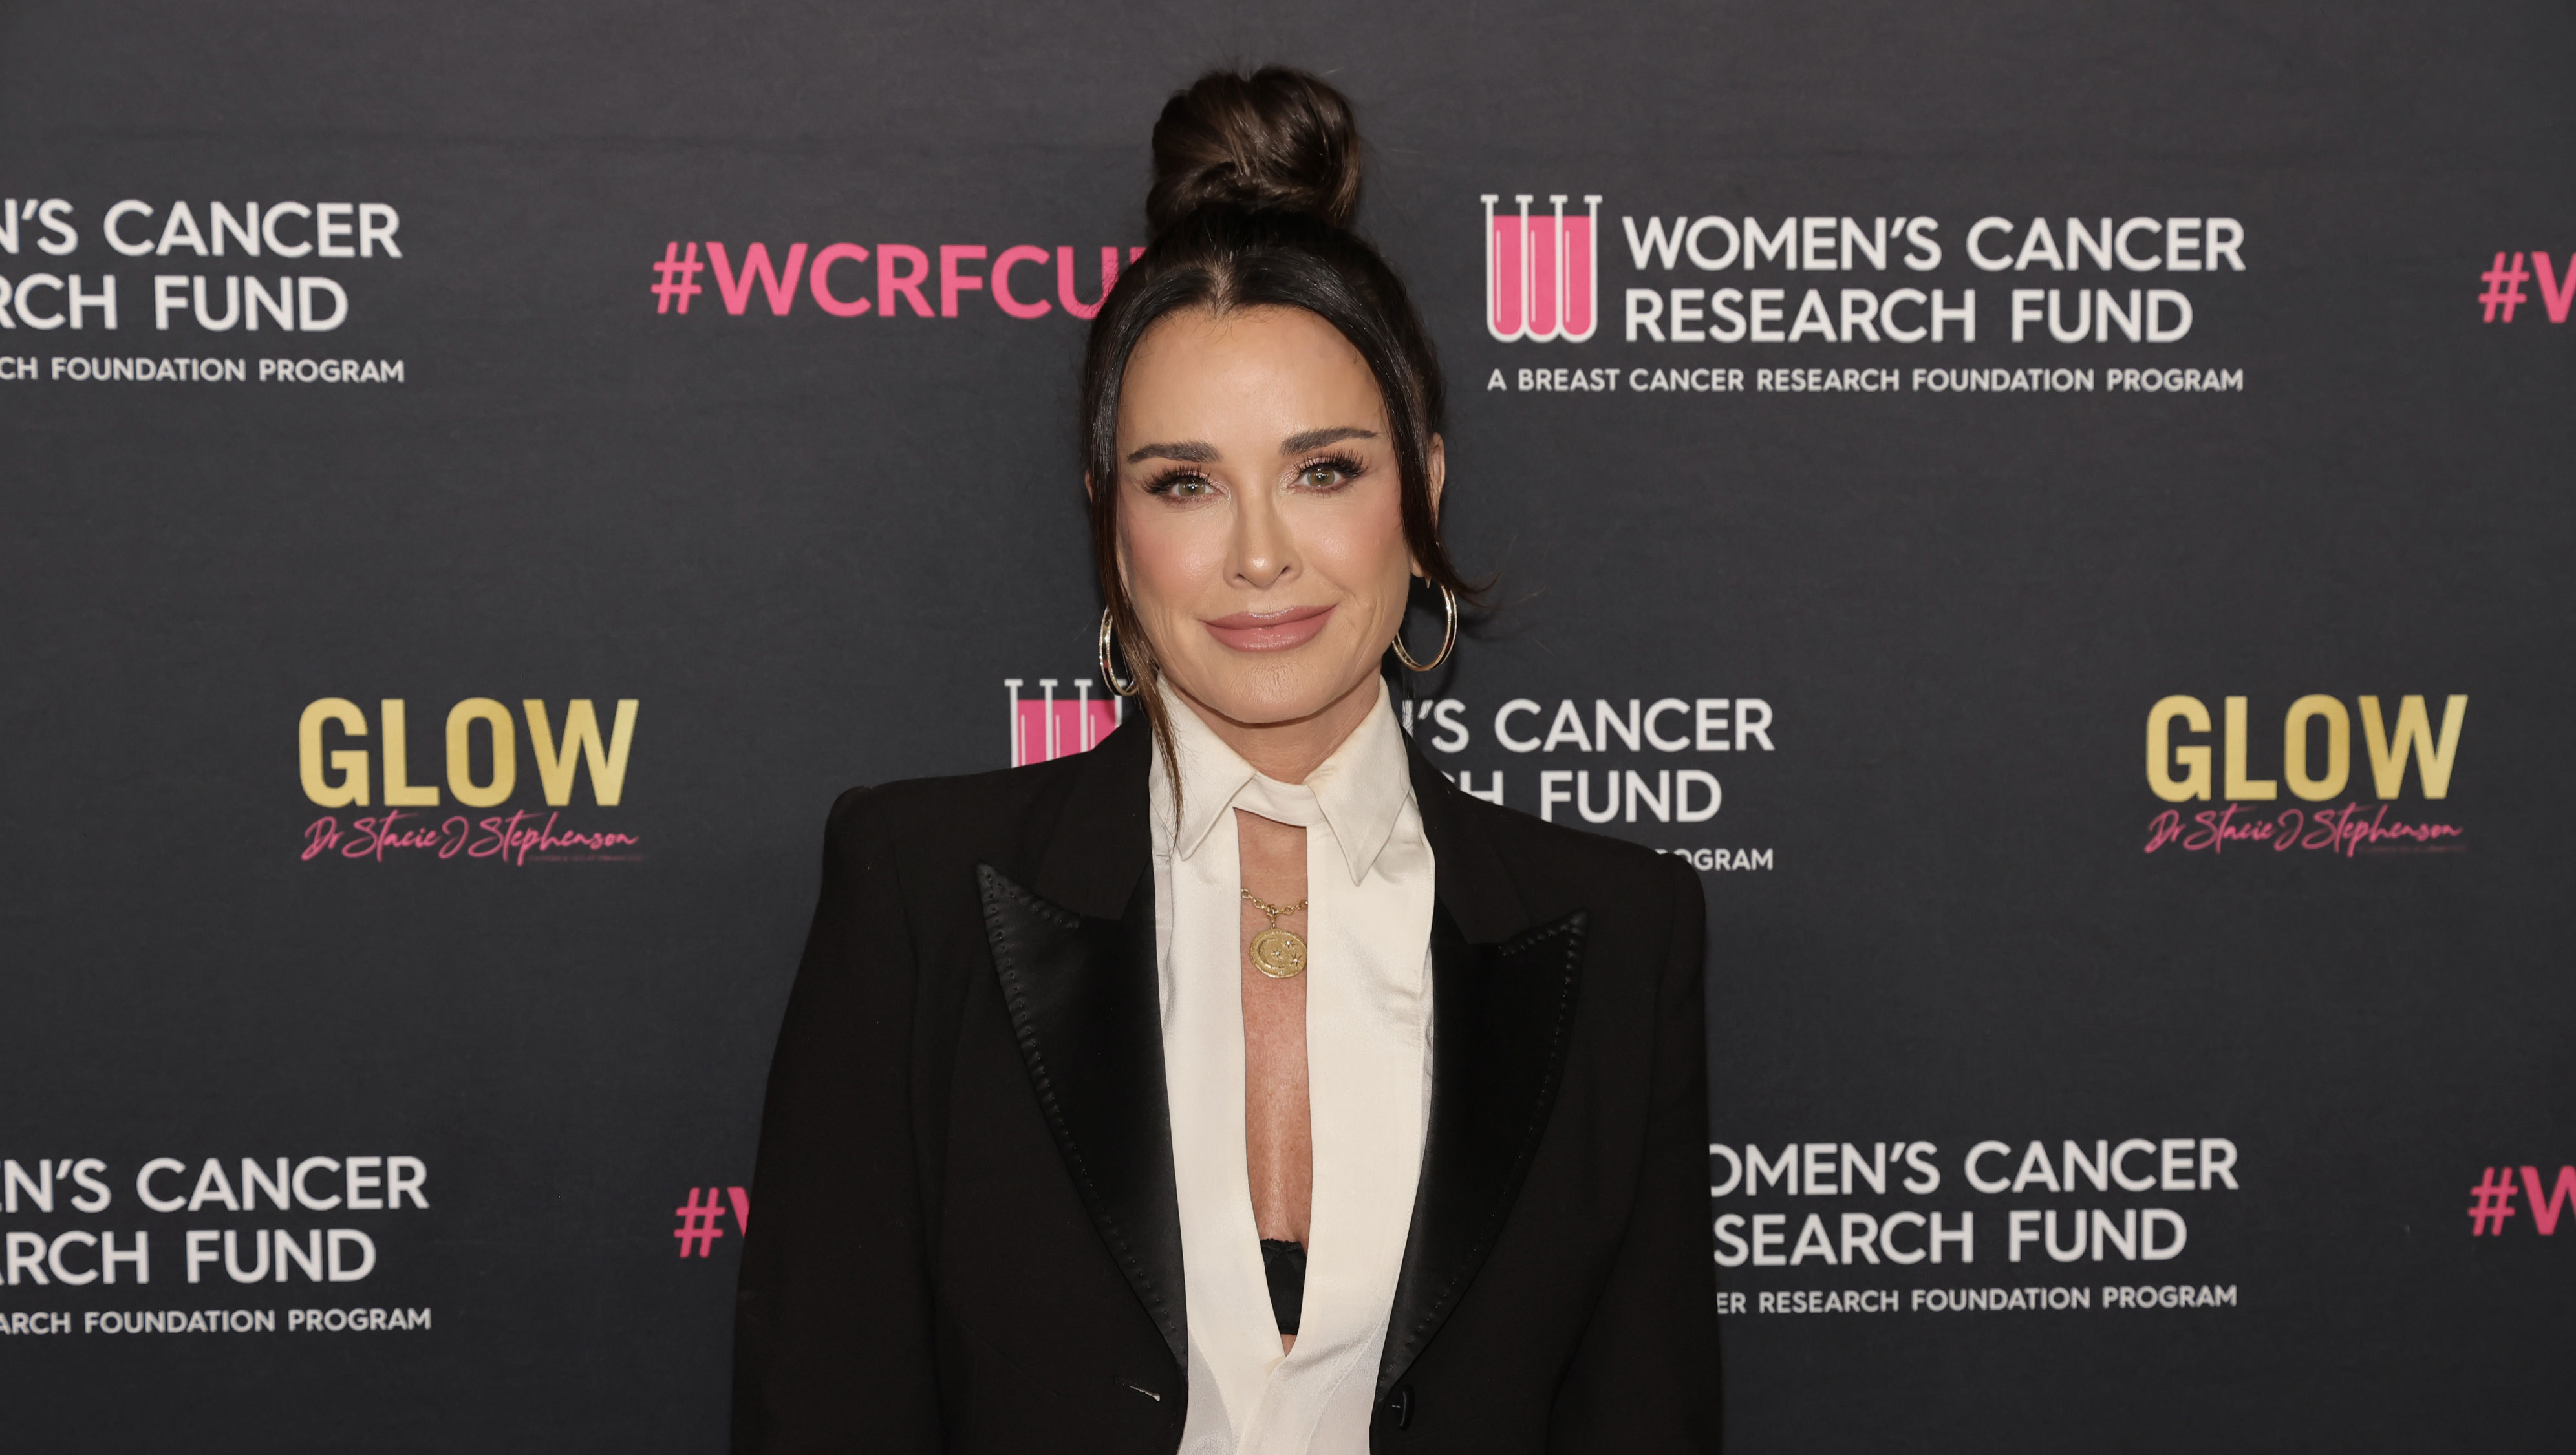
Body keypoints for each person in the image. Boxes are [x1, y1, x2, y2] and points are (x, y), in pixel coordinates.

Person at [732, 66, 1717, 1455]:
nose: (1260, 555)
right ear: (1110, 522)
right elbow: (819, 1410)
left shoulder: (1621, 936)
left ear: (1422, 488)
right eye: (1184, 482)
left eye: (1324, 470)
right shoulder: (919, 898)